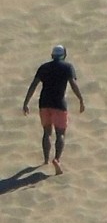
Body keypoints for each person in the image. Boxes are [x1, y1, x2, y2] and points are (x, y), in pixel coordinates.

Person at [22, 44, 84, 175]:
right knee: (60, 133)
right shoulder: (68, 67)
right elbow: (73, 84)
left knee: (47, 132)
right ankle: (57, 159)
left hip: (44, 104)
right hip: (59, 104)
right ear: (64, 55)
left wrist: (26, 102)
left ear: (52, 55)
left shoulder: (44, 67)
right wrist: (81, 99)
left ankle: (45, 160)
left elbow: (33, 85)